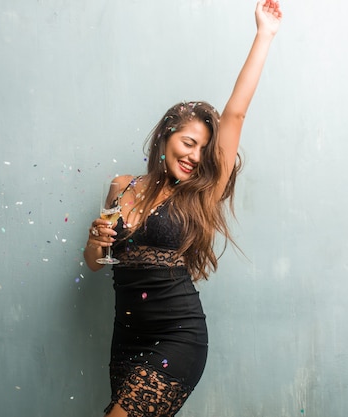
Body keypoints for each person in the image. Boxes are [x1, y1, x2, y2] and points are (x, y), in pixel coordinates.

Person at [84, 1, 282, 416]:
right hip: (127, 337)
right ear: (166, 136)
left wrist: (264, 34)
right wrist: (93, 240)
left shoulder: (200, 193)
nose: (193, 156)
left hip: (178, 337)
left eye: (203, 150)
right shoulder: (123, 187)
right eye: (188, 143)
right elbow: (95, 264)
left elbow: (236, 112)